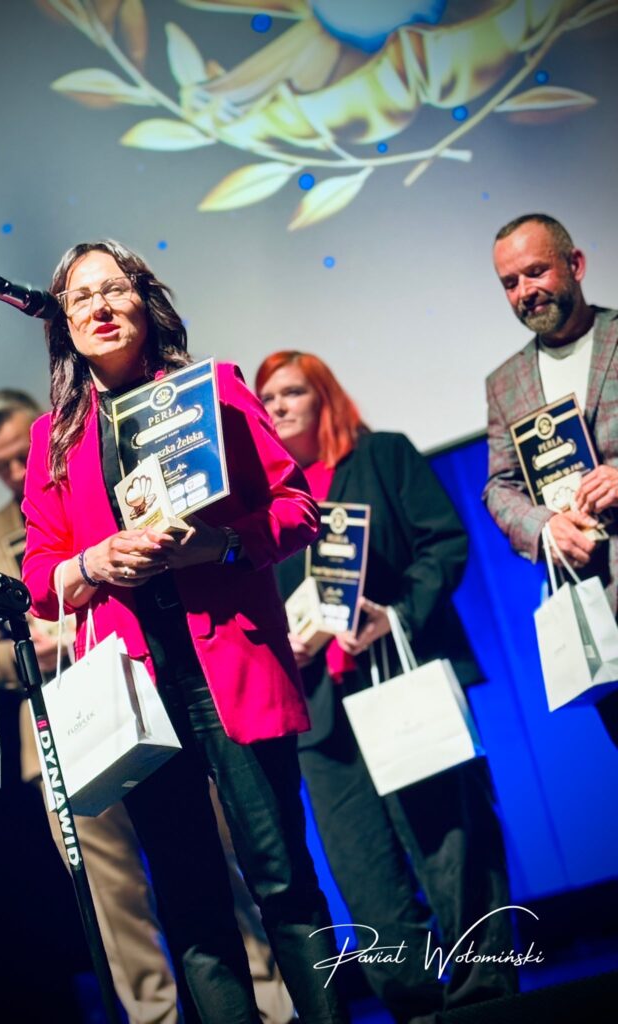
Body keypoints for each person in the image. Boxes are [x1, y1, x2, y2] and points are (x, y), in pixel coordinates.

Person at [21, 240, 348, 1024]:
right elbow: (39, 572)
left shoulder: (215, 391)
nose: (99, 307)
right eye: (80, 298)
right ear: (64, 325)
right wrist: (93, 561)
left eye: (113, 289)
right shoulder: (53, 438)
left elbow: (297, 508)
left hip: (230, 669)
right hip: (136, 689)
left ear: (146, 299)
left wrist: (221, 544)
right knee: (191, 902)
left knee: (283, 882)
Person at [0, 389, 294, 1024]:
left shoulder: (100, 480)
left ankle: (273, 1006)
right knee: (114, 899)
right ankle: (155, 1017)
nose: (13, 471)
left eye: (20, 455)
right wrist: (29, 651)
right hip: (65, 723)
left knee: (216, 862)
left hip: (151, 691)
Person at [255, 351, 517, 1024]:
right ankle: (415, 1004)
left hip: (402, 676)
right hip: (321, 712)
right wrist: (284, 640)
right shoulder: (265, 504)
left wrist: (393, 616)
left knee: (451, 844)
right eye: (268, 398)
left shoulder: (383, 456)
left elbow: (444, 544)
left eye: (292, 393)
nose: (278, 407)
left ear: (324, 397)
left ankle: (484, 997)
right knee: (362, 870)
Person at [483, 213, 618, 745]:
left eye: (536, 272)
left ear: (575, 264)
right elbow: (500, 486)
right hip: (598, 613)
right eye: (510, 283)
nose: (525, 292)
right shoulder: (504, 383)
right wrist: (543, 527)